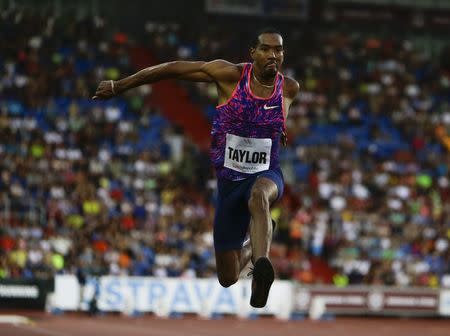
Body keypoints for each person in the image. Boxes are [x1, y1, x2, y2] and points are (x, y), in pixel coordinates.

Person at [93, 28, 300, 308]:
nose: (274, 55)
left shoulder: (289, 88)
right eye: (266, 49)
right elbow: (172, 69)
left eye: (279, 50)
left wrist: (280, 128)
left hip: (266, 175)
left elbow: (279, 114)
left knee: (259, 195)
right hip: (229, 186)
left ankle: (261, 268)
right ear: (253, 53)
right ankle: (256, 245)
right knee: (227, 277)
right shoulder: (229, 76)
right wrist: (120, 86)